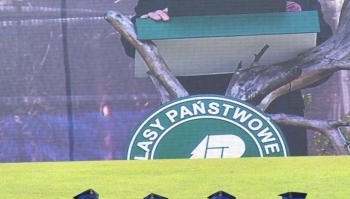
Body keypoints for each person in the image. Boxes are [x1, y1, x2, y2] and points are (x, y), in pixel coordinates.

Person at [127, 1, 333, 156]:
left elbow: (325, 53)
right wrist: (149, 24)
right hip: (195, 113)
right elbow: (130, 42)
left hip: (277, 114)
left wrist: (297, 24)